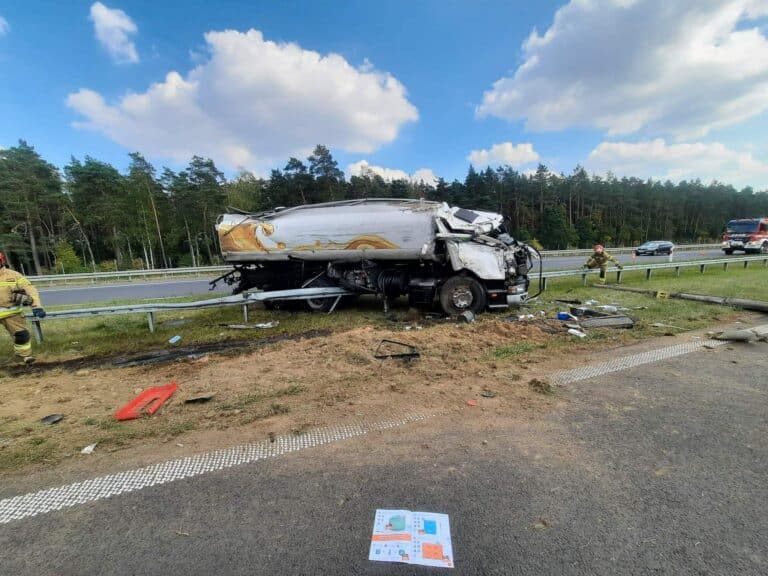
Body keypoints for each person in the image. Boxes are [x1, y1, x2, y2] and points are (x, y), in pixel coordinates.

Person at [0, 251, 45, 364]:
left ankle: (24, 356)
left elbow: (30, 289)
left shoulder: (14, 275)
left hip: (12, 314)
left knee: (22, 336)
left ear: (1, 261)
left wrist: (36, 306)